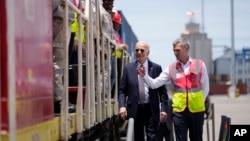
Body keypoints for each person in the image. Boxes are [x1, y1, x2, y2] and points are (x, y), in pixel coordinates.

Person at [137, 38, 210, 141]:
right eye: (174, 51)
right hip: (179, 112)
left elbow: (205, 87)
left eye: (178, 50)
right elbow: (154, 84)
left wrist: (199, 102)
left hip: (197, 111)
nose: (175, 53)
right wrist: (144, 76)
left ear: (186, 49)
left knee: (197, 138)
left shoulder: (200, 65)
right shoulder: (171, 68)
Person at [118, 41, 169, 141]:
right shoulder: (128, 68)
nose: (139, 52)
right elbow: (122, 91)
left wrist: (163, 109)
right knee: (138, 138)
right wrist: (122, 106)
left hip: (151, 109)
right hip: (135, 110)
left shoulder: (156, 68)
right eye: (137, 50)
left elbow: (163, 93)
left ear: (148, 53)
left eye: (142, 50)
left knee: (153, 138)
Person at [111, 11, 128, 98]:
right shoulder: (111, 32)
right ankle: (107, 95)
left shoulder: (116, 34)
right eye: (117, 23)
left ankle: (111, 94)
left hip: (116, 57)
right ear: (113, 23)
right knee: (112, 76)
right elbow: (112, 43)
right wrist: (121, 46)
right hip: (111, 56)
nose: (119, 25)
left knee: (115, 77)